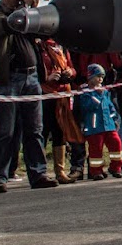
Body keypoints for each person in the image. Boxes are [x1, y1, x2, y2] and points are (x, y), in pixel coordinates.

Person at [0, 0, 56, 193]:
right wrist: (24, 6)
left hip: (31, 78)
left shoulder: (25, 15)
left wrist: (34, 6)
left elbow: (41, 29)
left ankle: (38, 173)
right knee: (4, 131)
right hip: (9, 79)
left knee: (35, 130)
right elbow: (9, 25)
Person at [37, 37, 81, 184]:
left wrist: (70, 72)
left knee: (60, 132)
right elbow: (35, 70)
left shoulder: (62, 46)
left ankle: (60, 171)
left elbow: (73, 68)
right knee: (42, 132)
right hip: (46, 93)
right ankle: (40, 171)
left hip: (63, 94)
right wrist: (47, 77)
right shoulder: (39, 46)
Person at [73, 65, 122, 179]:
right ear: (90, 77)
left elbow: (110, 107)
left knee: (116, 144)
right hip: (94, 126)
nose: (100, 79)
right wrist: (98, 96)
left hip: (109, 125)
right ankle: (96, 171)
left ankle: (115, 167)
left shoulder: (105, 91)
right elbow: (87, 107)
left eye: (102, 77)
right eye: (97, 76)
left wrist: (114, 118)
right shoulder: (85, 92)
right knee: (96, 149)